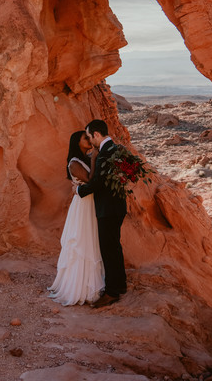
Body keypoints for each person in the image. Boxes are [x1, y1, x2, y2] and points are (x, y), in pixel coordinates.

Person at [47, 130, 104, 305]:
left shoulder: (85, 158)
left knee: (92, 241)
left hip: (91, 203)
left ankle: (92, 282)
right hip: (83, 205)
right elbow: (90, 179)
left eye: (89, 137)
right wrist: (94, 157)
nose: (88, 140)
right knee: (82, 242)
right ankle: (79, 287)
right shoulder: (73, 163)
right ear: (77, 143)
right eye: (85, 138)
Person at [76, 118, 127, 307]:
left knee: (108, 250)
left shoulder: (106, 154)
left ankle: (112, 292)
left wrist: (79, 191)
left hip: (108, 209)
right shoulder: (117, 149)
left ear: (97, 134)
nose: (90, 141)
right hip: (118, 207)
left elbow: (98, 182)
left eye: (90, 137)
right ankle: (120, 285)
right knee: (115, 247)